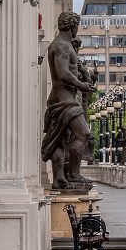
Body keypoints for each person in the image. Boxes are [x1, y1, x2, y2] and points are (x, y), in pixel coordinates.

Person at [41, 12, 94, 190]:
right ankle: (73, 174)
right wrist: (81, 85)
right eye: (77, 26)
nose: (77, 29)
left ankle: (59, 179)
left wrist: (84, 75)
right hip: (64, 99)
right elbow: (63, 73)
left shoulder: (65, 45)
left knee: (60, 139)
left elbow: (74, 67)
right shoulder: (61, 45)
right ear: (72, 26)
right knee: (83, 134)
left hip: (64, 98)